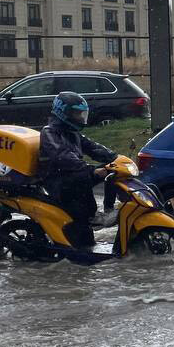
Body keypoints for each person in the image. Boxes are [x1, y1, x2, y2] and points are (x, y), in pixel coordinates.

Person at [38, 91, 118, 249]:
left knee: (113, 171)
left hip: (75, 175)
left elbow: (93, 147)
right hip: (58, 180)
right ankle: (87, 222)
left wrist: (114, 157)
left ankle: (108, 210)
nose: (80, 118)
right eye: (76, 113)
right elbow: (62, 156)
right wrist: (91, 171)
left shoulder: (72, 132)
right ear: (63, 112)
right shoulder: (50, 133)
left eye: (82, 114)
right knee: (81, 211)